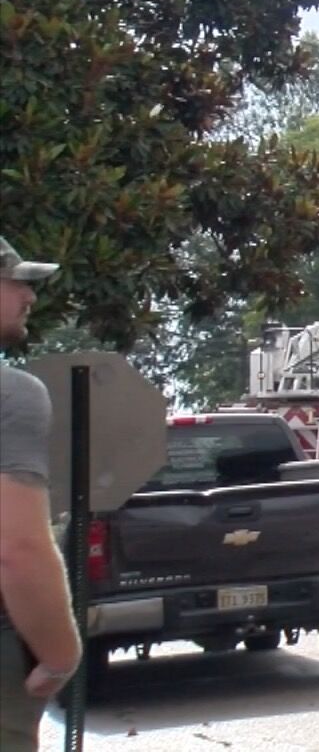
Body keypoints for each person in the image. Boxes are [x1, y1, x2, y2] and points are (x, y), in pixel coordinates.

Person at [0, 239, 84, 750]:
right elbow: (16, 550)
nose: (29, 295)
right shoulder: (13, 395)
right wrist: (61, 655)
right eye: (16, 281)